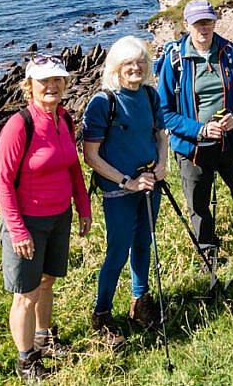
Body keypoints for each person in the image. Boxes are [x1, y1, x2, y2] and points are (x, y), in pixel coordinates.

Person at [156, 0, 233, 271]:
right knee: (198, 203)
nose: (203, 27)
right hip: (193, 148)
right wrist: (198, 130)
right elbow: (164, 111)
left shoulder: (230, 52)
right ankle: (207, 253)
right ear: (186, 25)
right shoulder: (174, 60)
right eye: (197, 22)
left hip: (230, 142)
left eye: (207, 21)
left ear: (214, 22)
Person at [0, 55, 91, 383]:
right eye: (44, 81)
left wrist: (84, 207)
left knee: (47, 282)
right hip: (28, 222)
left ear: (64, 84)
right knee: (26, 294)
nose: (51, 86)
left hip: (59, 216)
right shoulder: (19, 125)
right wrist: (18, 229)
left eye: (57, 80)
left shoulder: (64, 119)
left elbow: (73, 166)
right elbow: (3, 182)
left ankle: (44, 338)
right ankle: (26, 361)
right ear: (30, 87)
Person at [82, 36, 167, 348]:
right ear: (116, 67)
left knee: (144, 243)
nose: (135, 67)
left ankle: (139, 302)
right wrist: (125, 182)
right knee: (118, 251)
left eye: (140, 61)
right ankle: (102, 314)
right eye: (128, 62)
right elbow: (90, 155)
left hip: (149, 184)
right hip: (120, 190)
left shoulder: (149, 94)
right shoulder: (103, 102)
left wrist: (162, 164)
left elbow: (160, 135)